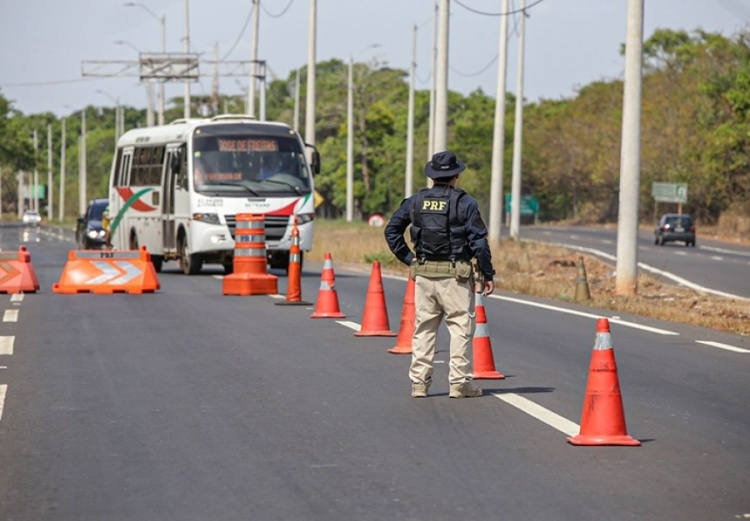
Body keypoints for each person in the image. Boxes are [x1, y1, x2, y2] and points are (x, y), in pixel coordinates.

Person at [385, 151, 495, 399]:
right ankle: (458, 385)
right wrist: (487, 274)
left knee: (424, 329)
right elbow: (479, 242)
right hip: (457, 277)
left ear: (432, 175)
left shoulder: (415, 201)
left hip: (424, 275)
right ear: (456, 175)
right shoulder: (465, 203)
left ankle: (419, 385)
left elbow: (392, 230)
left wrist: (409, 258)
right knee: (460, 329)